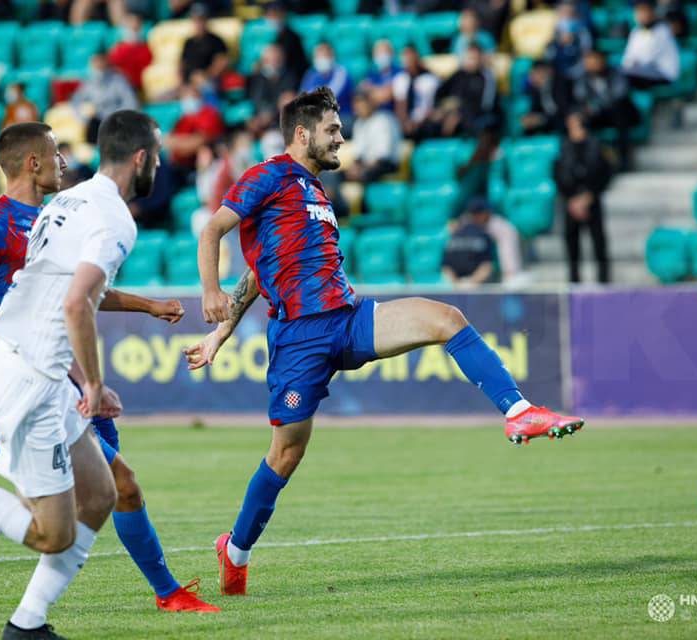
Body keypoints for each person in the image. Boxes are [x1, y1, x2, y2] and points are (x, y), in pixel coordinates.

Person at [186, 87, 585, 596]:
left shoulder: (315, 193)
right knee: (286, 454)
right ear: (303, 134)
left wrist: (222, 331)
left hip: (348, 319)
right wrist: (213, 303)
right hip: (300, 340)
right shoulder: (268, 175)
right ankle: (236, 551)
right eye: (333, 130)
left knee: (446, 317)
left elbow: (262, 273)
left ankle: (517, 411)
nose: (341, 137)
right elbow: (214, 233)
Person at [0, 113, 217, 639]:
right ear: (141, 158)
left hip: (48, 368)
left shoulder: (60, 205)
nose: (62, 161)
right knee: (51, 533)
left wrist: (140, 312)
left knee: (108, 493)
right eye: (55, 152)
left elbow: (67, 292)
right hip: (31, 373)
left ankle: (29, 624)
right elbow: (68, 302)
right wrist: (90, 382)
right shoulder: (65, 218)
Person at [554, 111, 614, 283]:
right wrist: (571, 199)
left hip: (592, 200)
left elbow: (605, 173)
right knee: (572, 243)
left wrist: (590, 196)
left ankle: (604, 280)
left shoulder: (597, 146)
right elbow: (558, 175)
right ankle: (574, 280)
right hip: (571, 202)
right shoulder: (564, 147)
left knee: (599, 243)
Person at [70, 54, 139, 144]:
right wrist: (82, 118)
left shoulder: (118, 80)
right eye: (96, 67)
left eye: (101, 66)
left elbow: (131, 102)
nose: (99, 70)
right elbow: (76, 101)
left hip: (117, 120)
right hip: (98, 121)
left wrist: (118, 116)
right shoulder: (89, 83)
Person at [344, 90, 402, 184]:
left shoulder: (384, 120)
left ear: (370, 103)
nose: (359, 108)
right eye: (357, 105)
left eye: (361, 104)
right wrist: (353, 168)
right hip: (367, 164)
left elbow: (383, 156)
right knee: (340, 175)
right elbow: (358, 154)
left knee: (365, 174)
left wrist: (363, 168)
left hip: (387, 164)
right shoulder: (359, 123)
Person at [620, 0, 680, 90]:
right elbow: (627, 57)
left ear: (652, 12)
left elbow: (647, 59)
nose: (641, 15)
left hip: (663, 74)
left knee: (624, 77)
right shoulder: (635, 32)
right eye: (639, 11)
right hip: (642, 72)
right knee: (618, 74)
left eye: (644, 11)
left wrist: (631, 65)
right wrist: (629, 65)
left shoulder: (662, 30)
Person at [441, 197, 497, 287]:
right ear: (481, 214)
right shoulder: (484, 235)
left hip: (455, 288)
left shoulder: (454, 234)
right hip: (478, 289)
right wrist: (470, 283)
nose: (489, 216)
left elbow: (446, 268)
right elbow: (487, 266)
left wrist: (456, 284)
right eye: (487, 213)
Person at [392, 44, 440, 140]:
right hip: (407, 123)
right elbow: (400, 106)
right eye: (406, 58)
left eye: (411, 57)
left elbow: (433, 107)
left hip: (425, 122)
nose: (409, 61)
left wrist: (418, 122)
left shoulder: (430, 79)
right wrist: (405, 122)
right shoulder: (400, 79)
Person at [299, 43, 353, 120]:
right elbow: (303, 97)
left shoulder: (341, 72)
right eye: (318, 56)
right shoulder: (311, 73)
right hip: (317, 117)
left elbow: (331, 97)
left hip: (341, 116)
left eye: (324, 56)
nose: (321, 59)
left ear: (332, 56)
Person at [180, 3, 229, 84]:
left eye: (201, 19)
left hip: (208, 82)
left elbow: (222, 62)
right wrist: (182, 84)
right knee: (162, 95)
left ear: (207, 20)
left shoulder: (216, 41)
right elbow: (181, 65)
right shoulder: (188, 42)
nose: (199, 23)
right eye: (196, 20)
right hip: (188, 85)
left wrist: (205, 76)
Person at [108, 12, 153, 91]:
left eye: (137, 25)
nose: (134, 27)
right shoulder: (118, 50)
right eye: (130, 25)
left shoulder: (147, 49)